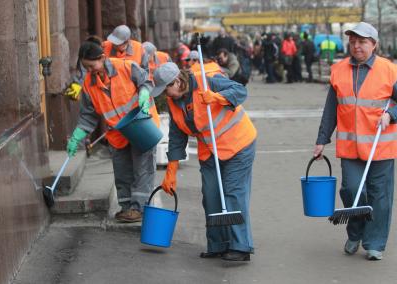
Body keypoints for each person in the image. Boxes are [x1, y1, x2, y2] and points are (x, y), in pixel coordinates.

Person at [314, 22, 397, 261]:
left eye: (362, 42)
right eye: (353, 41)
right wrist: (321, 139)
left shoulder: (389, 70)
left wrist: (391, 115)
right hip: (350, 148)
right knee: (350, 189)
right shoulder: (338, 70)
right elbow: (332, 109)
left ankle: (374, 243)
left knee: (379, 195)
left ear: (374, 44)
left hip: (381, 147)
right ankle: (356, 232)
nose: (357, 46)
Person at [151, 62, 257, 261]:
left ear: (177, 81)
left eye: (166, 89)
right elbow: (176, 137)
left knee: (233, 194)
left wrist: (217, 97)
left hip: (238, 145)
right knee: (211, 196)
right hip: (210, 151)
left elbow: (240, 91)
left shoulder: (207, 82)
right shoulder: (175, 103)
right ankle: (218, 245)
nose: (167, 95)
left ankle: (240, 247)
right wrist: (171, 171)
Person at [67, 40, 160, 223]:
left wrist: (143, 92)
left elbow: (147, 81)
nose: (90, 71)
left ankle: (138, 209)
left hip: (141, 125)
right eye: (85, 67)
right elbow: (88, 115)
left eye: (91, 66)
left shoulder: (126, 66)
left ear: (102, 58)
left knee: (142, 170)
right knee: (122, 172)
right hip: (118, 133)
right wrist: (77, 135)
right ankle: (126, 208)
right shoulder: (88, 85)